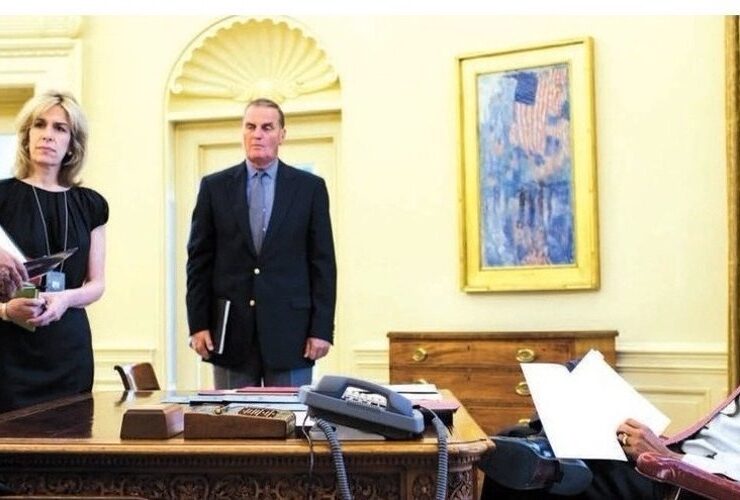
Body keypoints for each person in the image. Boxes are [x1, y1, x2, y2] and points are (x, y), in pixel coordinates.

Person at [186, 97, 336, 389]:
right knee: (233, 416)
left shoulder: (309, 188)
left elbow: (323, 264)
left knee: (289, 416)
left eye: (267, 127)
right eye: (250, 127)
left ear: (282, 134)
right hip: (230, 334)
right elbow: (198, 263)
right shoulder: (214, 187)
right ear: (242, 132)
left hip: (292, 334)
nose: (258, 134)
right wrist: (198, 324)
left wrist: (322, 329)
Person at [0, 90, 108, 413]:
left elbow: (96, 284)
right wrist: (6, 311)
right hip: (10, 350)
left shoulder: (91, 204)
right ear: (27, 135)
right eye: (40, 125)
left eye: (60, 128)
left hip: (68, 349)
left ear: (72, 144)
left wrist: (64, 299)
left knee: (72, 435)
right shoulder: (2, 196)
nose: (48, 135)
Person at [481, 392, 740, 499]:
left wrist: (670, 458)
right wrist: (660, 445)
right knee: (515, 436)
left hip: (685, 485)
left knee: (533, 472)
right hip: (670, 457)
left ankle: (548, 454)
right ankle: (545, 444)